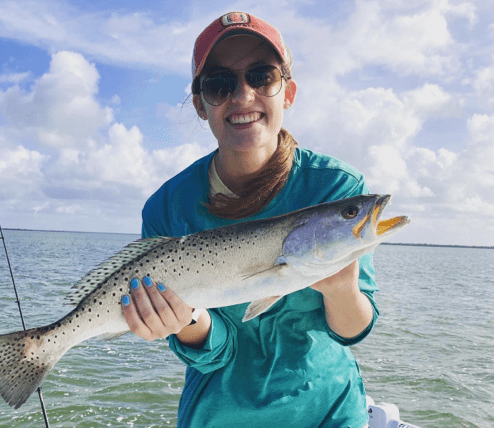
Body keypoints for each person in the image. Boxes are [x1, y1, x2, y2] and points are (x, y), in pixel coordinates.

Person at [121, 11, 377, 428]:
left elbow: (351, 331)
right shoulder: (167, 206)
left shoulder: (337, 187)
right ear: (201, 105)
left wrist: (341, 291)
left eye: (262, 76)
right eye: (220, 84)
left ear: (287, 93)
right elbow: (214, 349)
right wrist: (186, 320)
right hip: (219, 414)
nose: (242, 96)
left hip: (327, 412)